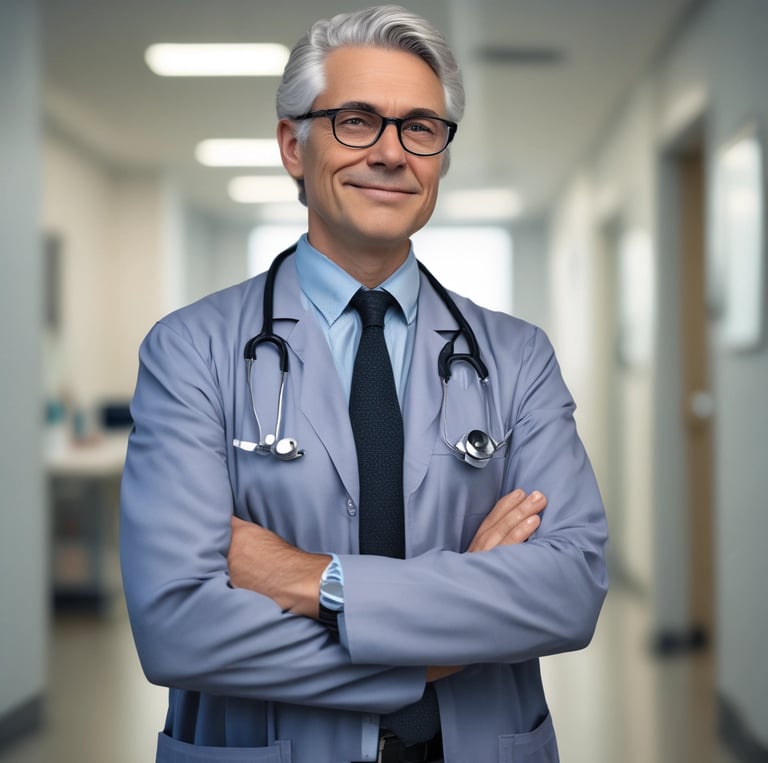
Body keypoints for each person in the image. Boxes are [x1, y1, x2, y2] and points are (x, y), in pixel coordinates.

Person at [120, 5, 609, 762]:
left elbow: (569, 590)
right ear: (294, 145)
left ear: (441, 155)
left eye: (420, 127)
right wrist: (433, 651)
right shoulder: (192, 350)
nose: (390, 152)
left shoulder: (517, 357)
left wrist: (315, 579)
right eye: (355, 121)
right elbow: (178, 628)